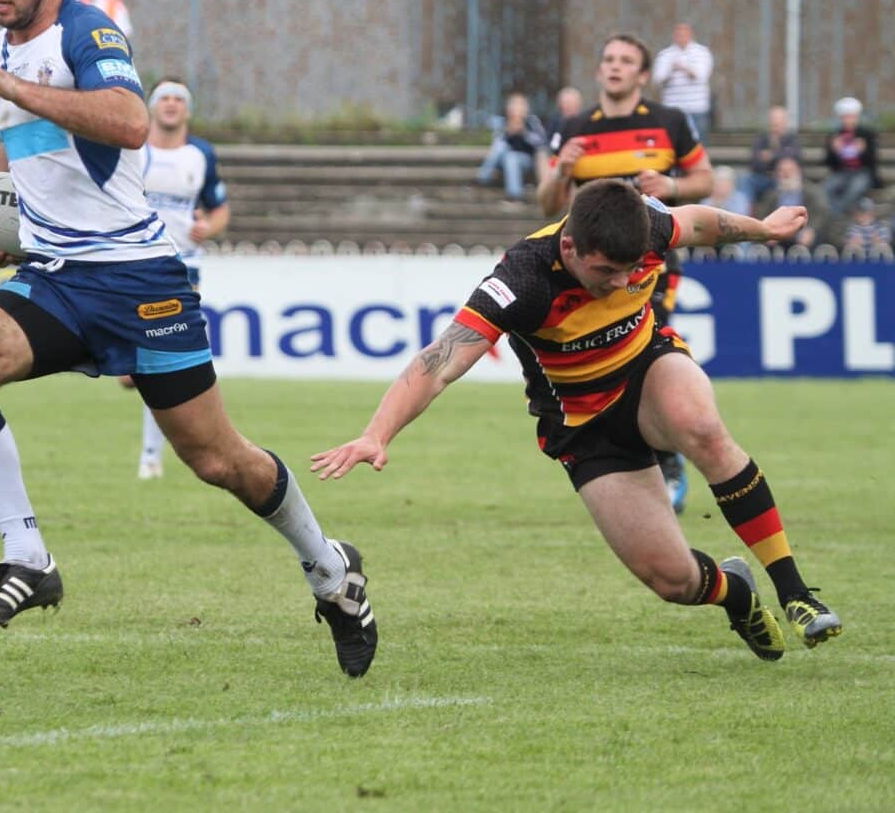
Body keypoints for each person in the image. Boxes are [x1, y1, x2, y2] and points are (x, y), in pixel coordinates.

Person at [0, 0, 375, 677]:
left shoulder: (87, 30)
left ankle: (333, 572)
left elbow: (129, 123)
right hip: (59, 279)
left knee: (219, 462)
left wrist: (21, 89)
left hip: (140, 284)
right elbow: (55, 180)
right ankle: (27, 557)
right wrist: (11, 238)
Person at [313, 179, 843, 661]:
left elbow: (703, 222)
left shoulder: (647, 225)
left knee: (700, 426)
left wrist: (762, 228)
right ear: (570, 247)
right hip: (584, 427)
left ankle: (796, 592)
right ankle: (737, 592)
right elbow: (440, 361)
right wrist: (376, 434)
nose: (621, 283)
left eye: (631, 269)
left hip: (647, 369)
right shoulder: (522, 279)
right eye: (606, 272)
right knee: (672, 580)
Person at [537, 32, 714, 513]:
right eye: (608, 59)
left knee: (645, 360)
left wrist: (673, 184)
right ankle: (630, 464)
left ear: (641, 75)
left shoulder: (670, 122)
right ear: (599, 71)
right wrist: (561, 172)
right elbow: (547, 204)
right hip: (586, 274)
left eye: (626, 61)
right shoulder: (574, 127)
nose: (614, 67)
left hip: (651, 267)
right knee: (603, 372)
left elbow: (706, 180)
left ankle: (668, 459)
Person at [120, 77, 230, 479]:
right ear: (151, 106)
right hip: (133, 261)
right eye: (163, 97)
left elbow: (219, 211)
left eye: (178, 99)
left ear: (187, 109)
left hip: (183, 265)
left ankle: (152, 456)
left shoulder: (201, 154)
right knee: (130, 375)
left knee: (162, 360)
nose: (170, 104)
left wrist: (209, 229)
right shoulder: (132, 149)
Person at [475, 92, 546, 203]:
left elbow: (541, 143)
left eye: (520, 105)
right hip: (502, 160)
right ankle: (483, 178)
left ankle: (514, 195)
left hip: (525, 160)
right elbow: (496, 146)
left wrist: (524, 133)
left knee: (511, 157)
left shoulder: (532, 122)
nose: (516, 108)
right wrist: (507, 132)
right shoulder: (502, 123)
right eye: (513, 105)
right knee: (501, 147)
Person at [653, 22, 713, 143]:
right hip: (672, 108)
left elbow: (702, 75)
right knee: (672, 143)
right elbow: (657, 79)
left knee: (697, 145)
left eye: (684, 34)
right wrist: (671, 69)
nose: (681, 37)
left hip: (696, 108)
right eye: (678, 34)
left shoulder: (702, 52)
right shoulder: (665, 54)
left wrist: (683, 67)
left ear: (690, 35)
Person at [823, 97, 882, 218]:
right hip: (842, 172)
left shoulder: (866, 134)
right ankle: (836, 214)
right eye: (845, 117)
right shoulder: (835, 135)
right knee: (826, 188)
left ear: (857, 117)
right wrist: (835, 151)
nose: (848, 120)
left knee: (854, 189)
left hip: (863, 173)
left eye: (851, 116)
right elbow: (828, 163)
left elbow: (872, 162)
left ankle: (835, 216)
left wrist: (863, 151)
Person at [736, 106, 802, 210]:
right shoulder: (762, 138)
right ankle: (745, 212)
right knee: (745, 180)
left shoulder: (792, 138)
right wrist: (779, 155)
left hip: (782, 178)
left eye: (779, 120)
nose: (775, 124)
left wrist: (771, 155)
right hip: (763, 177)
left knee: (788, 182)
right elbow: (754, 162)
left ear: (785, 122)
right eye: (773, 120)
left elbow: (794, 157)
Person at [755, 156, 825, 249]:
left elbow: (821, 213)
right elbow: (761, 215)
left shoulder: (812, 191)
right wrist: (768, 231)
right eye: (782, 170)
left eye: (790, 170)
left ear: (798, 172)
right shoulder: (771, 195)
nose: (786, 174)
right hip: (777, 234)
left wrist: (811, 230)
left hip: (803, 233)